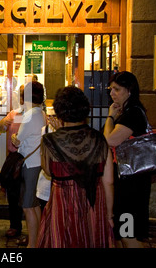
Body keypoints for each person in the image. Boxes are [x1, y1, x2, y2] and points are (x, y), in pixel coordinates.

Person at [36, 86, 114, 248]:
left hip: (62, 202)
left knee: (61, 240)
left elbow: (48, 171)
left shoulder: (50, 140)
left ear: (59, 111)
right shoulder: (99, 139)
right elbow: (109, 181)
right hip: (94, 202)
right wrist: (109, 214)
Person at [103, 71, 150, 248]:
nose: (112, 93)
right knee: (124, 232)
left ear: (129, 90)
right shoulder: (131, 111)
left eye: (117, 89)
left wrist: (110, 117)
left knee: (127, 233)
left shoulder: (133, 113)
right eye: (111, 89)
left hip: (132, 183)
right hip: (129, 179)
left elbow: (109, 140)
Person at [10, 81, 46, 248]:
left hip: (30, 164)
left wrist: (13, 137)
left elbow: (17, 141)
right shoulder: (41, 113)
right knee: (34, 204)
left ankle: (33, 244)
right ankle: (38, 239)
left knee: (27, 206)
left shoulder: (30, 115)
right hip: (38, 162)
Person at [0, 84, 25, 238]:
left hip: (30, 158)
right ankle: (15, 225)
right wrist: (2, 123)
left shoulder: (38, 115)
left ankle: (33, 226)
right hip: (14, 159)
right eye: (21, 95)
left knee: (28, 195)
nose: (22, 98)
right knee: (13, 195)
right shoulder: (14, 114)